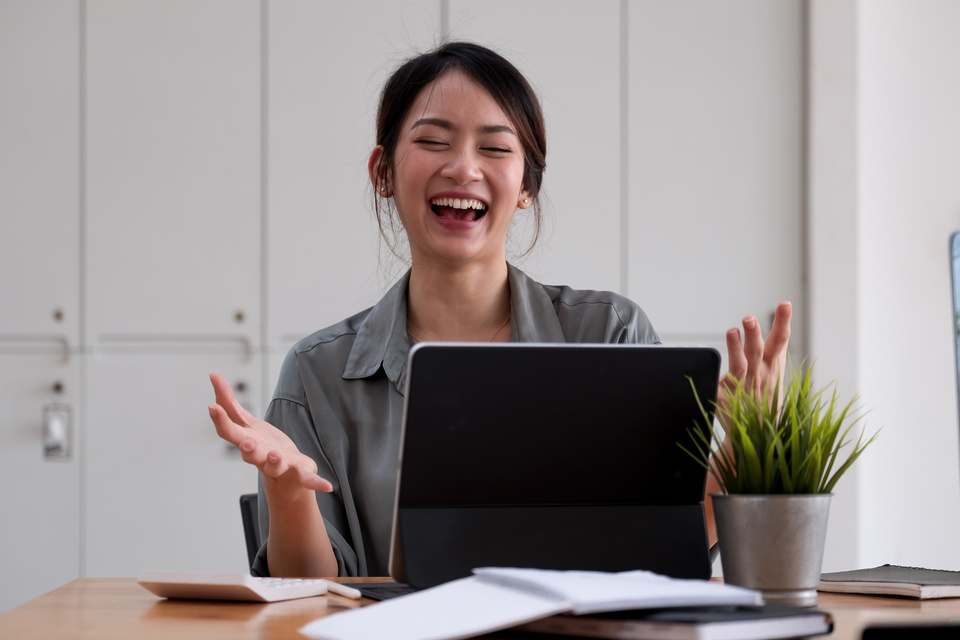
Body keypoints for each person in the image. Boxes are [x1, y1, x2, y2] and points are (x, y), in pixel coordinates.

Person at [207, 41, 792, 579]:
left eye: (494, 147)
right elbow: (308, 598)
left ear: (527, 185)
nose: (464, 168)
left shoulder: (610, 334)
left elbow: (660, 545)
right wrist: (286, 492)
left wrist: (745, 442)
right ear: (382, 172)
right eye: (433, 141)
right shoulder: (317, 375)